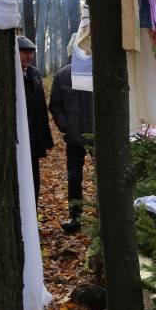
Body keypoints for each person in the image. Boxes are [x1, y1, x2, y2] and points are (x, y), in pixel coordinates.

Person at [49, 62, 94, 234]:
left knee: (103, 177)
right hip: (74, 137)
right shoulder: (63, 75)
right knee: (74, 177)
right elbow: (55, 104)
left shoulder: (100, 70)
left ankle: (102, 215)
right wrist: (65, 126)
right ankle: (75, 216)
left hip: (99, 137)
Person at [19, 35, 54, 200]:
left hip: (33, 139)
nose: (29, 56)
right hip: (18, 139)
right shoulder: (9, 75)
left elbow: (41, 109)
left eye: (31, 52)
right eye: (24, 52)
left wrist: (46, 139)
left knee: (34, 181)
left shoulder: (34, 74)